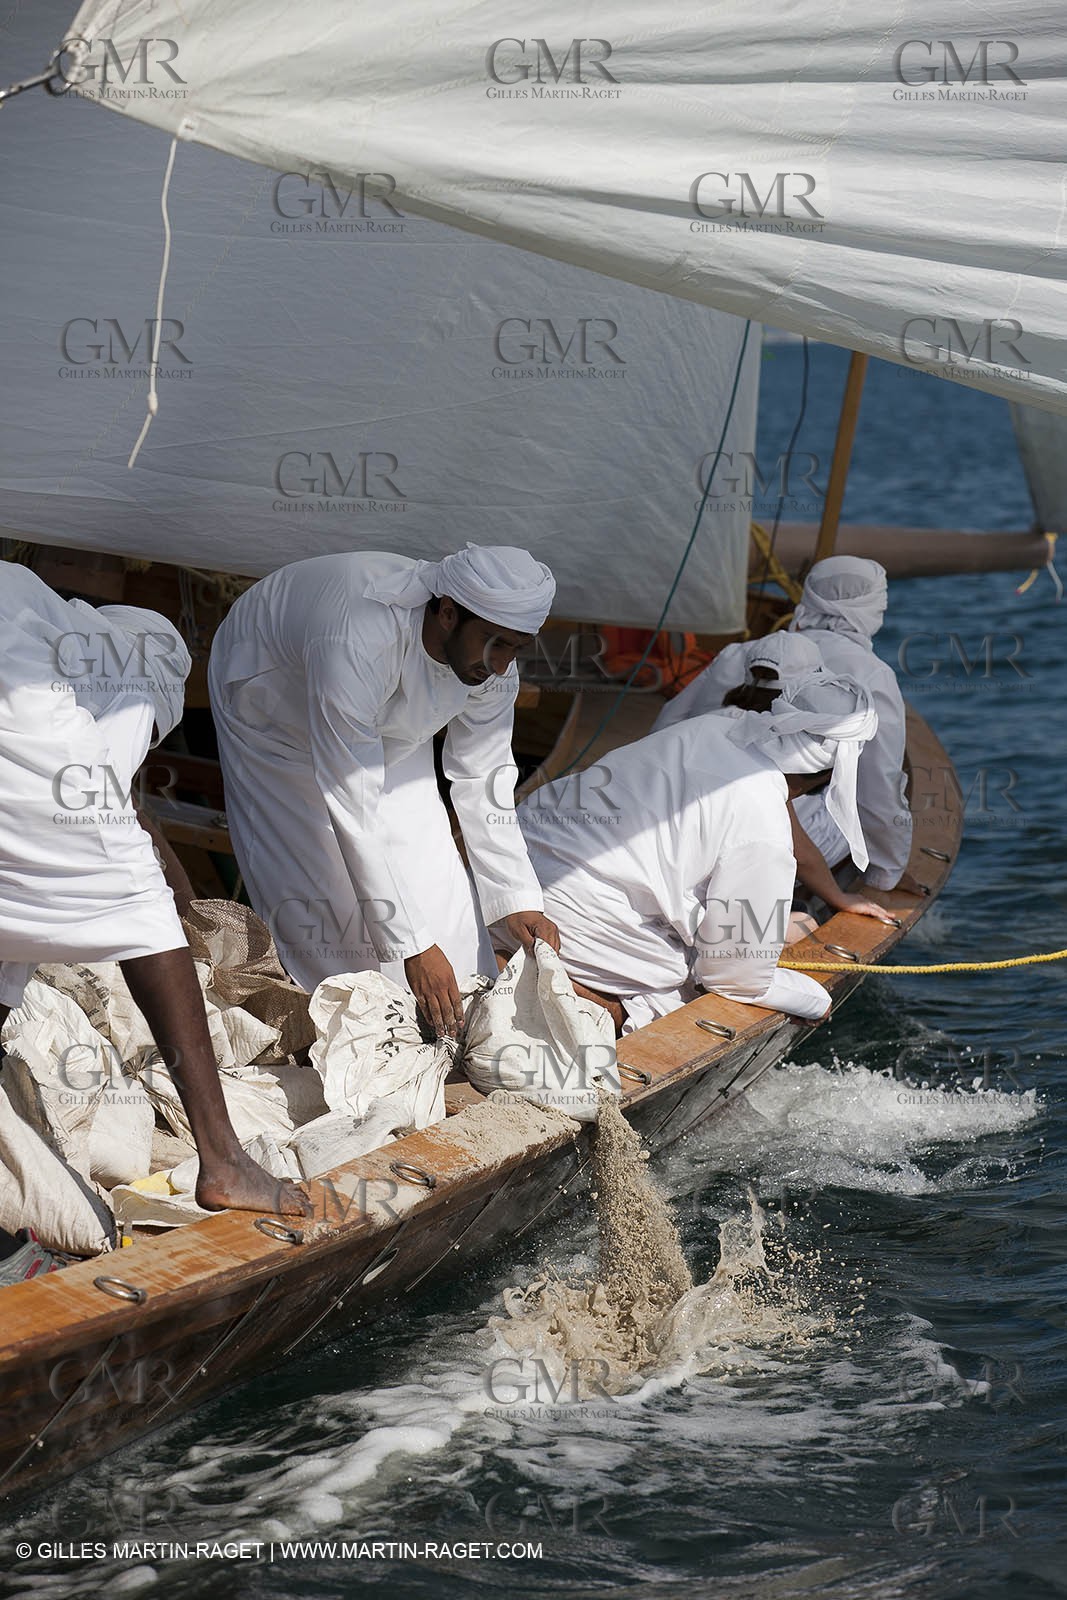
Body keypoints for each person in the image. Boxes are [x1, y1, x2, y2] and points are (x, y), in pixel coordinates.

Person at [0, 564, 308, 1217]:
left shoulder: (70, 631)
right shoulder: (146, 671)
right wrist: (173, 909)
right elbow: (108, 816)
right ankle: (224, 1160)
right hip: (17, 701)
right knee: (140, 910)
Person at [208, 545, 560, 1035]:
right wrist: (411, 946)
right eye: (493, 644)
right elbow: (352, 805)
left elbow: (485, 774)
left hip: (385, 722)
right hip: (275, 715)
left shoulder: (493, 664)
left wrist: (517, 896)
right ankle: (357, 1041)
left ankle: (455, 1036)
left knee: (437, 888)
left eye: (516, 649)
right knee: (328, 907)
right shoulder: (356, 636)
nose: (501, 665)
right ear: (447, 612)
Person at [517, 673, 878, 1033]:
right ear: (832, 772)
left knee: (782, 927)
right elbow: (734, 976)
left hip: (517, 871)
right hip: (575, 926)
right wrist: (816, 999)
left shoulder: (718, 726)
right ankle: (592, 1005)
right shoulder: (763, 821)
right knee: (679, 988)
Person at [654, 630, 900, 929]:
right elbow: (798, 847)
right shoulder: (767, 769)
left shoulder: (713, 724)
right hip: (678, 900)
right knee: (804, 923)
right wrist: (846, 893)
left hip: (657, 860)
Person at [788, 556, 923, 894]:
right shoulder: (872, 676)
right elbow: (879, 785)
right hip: (790, 829)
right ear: (868, 609)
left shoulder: (750, 652)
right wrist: (886, 873)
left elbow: (674, 720)